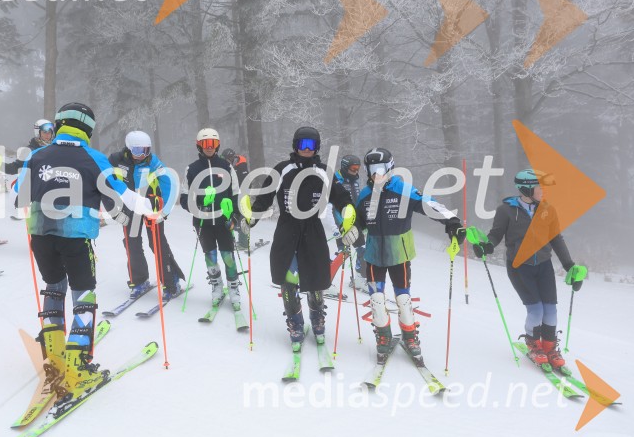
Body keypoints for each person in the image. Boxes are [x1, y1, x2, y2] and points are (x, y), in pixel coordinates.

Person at [17, 102, 148, 399]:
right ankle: (77, 365)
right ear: (88, 128)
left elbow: (17, 194)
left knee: (53, 287)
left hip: (40, 235)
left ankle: (54, 357)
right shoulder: (95, 158)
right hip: (76, 238)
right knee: (83, 294)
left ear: (59, 123)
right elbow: (122, 197)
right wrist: (147, 212)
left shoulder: (37, 155)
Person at [242, 127, 360, 347]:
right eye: (303, 144)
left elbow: (343, 200)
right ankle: (295, 322)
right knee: (288, 279)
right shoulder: (282, 169)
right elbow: (264, 199)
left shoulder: (325, 172)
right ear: (295, 145)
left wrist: (349, 222)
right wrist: (251, 218)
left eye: (312, 145)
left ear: (317, 148)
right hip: (287, 229)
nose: (307, 149)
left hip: (313, 230)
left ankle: (317, 319)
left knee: (315, 280)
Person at [354, 147, 465, 356]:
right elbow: (356, 222)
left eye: (380, 168)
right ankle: (383, 333)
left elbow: (428, 204)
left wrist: (452, 221)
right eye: (371, 169)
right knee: (376, 299)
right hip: (373, 254)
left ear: (390, 168)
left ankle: (409, 334)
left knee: (403, 298)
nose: (376, 173)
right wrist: (351, 230)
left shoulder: (402, 189)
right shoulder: (365, 195)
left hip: (399, 254)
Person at [472, 169, 586, 368]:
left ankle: (550, 347)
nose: (543, 191)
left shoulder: (548, 210)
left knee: (550, 310)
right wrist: (486, 246)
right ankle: (534, 344)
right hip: (519, 267)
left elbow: (556, 239)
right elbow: (496, 234)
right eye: (539, 187)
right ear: (526, 188)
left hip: (544, 266)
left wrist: (569, 266)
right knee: (536, 310)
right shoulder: (506, 210)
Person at [109, 130, 184, 301]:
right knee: (132, 244)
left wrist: (163, 209)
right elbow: (107, 183)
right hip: (130, 207)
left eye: (146, 150)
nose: (142, 155)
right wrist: (115, 209)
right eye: (138, 151)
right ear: (128, 148)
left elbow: (167, 182)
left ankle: (171, 281)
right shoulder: (116, 160)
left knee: (157, 243)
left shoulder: (152, 162)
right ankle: (139, 281)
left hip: (151, 206)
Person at [179, 128, 242, 309]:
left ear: (217, 145)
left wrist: (235, 216)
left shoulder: (226, 166)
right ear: (199, 145)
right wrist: (196, 207)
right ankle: (216, 286)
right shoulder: (192, 168)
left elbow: (235, 193)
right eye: (205, 144)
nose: (209, 147)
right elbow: (184, 196)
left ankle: (234, 288)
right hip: (203, 221)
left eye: (212, 144)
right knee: (211, 255)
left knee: (227, 255)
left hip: (224, 219)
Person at [221, 147, 250, 249]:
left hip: (242, 197)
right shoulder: (232, 168)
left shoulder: (240, 168)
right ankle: (233, 239)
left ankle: (243, 243)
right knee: (232, 216)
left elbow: (245, 183)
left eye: (228, 159)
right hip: (235, 197)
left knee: (242, 218)